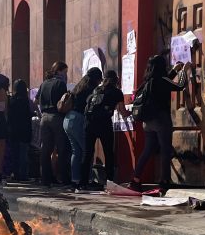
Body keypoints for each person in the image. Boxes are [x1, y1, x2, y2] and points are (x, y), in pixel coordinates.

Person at [130, 55, 189, 193]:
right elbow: (180, 85)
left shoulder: (147, 81)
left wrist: (174, 71)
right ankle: (164, 181)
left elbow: (165, 82)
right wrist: (183, 71)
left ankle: (135, 180)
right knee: (165, 150)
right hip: (161, 120)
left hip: (147, 122)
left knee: (147, 150)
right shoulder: (160, 81)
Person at [80, 70, 129, 190]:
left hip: (89, 124)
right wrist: (132, 112)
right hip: (103, 124)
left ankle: (83, 183)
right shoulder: (117, 92)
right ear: (116, 79)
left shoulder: (96, 90)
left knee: (87, 154)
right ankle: (109, 182)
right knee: (108, 153)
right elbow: (123, 112)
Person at [64, 67, 103, 190]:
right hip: (79, 120)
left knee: (76, 151)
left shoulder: (78, 87)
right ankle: (87, 180)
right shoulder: (91, 89)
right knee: (87, 151)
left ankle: (75, 180)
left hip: (68, 119)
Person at [36, 61, 70, 187]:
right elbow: (64, 101)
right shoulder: (61, 83)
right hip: (57, 117)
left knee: (46, 149)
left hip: (44, 117)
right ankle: (64, 178)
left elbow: (35, 100)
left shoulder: (44, 83)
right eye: (65, 72)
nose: (66, 75)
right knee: (62, 149)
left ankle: (46, 179)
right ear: (59, 71)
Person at [7, 79, 33, 181]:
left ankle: (15, 173)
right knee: (23, 154)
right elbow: (31, 112)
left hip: (13, 130)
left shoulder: (10, 100)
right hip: (24, 130)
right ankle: (23, 175)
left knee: (14, 154)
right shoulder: (27, 101)